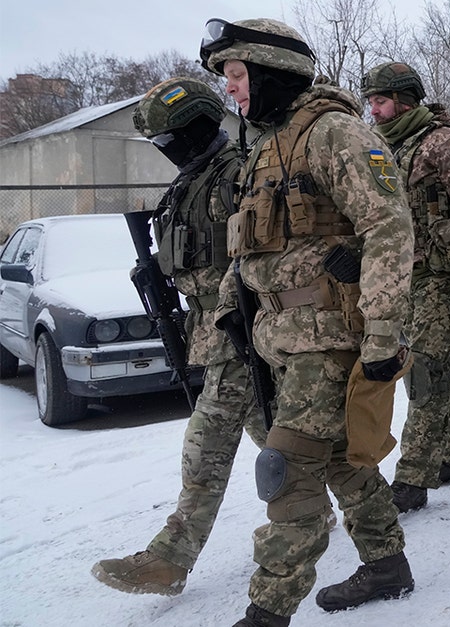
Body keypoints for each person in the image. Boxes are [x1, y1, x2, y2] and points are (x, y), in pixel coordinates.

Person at [202, 18, 415, 626]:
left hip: (329, 337)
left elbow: (389, 228)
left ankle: (268, 611)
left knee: (288, 468)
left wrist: (380, 332)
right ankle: (387, 563)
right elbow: (249, 249)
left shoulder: (336, 133)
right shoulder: (265, 147)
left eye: (237, 75)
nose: (232, 90)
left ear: (272, 70)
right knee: (345, 459)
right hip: (279, 339)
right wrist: (227, 310)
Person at [92, 77, 268, 597]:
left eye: (169, 140)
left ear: (194, 130)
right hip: (211, 328)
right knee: (273, 429)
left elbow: (258, 255)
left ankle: (170, 559)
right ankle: (345, 501)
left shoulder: (237, 173)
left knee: (206, 442)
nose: (166, 151)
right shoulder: (192, 179)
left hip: (242, 328)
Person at [360, 62, 450, 514]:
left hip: (440, 276)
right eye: (371, 101)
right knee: (437, 366)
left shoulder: (443, 142)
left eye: (381, 100)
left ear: (406, 100)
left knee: (423, 369)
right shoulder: (382, 147)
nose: (374, 109)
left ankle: (414, 475)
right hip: (404, 277)